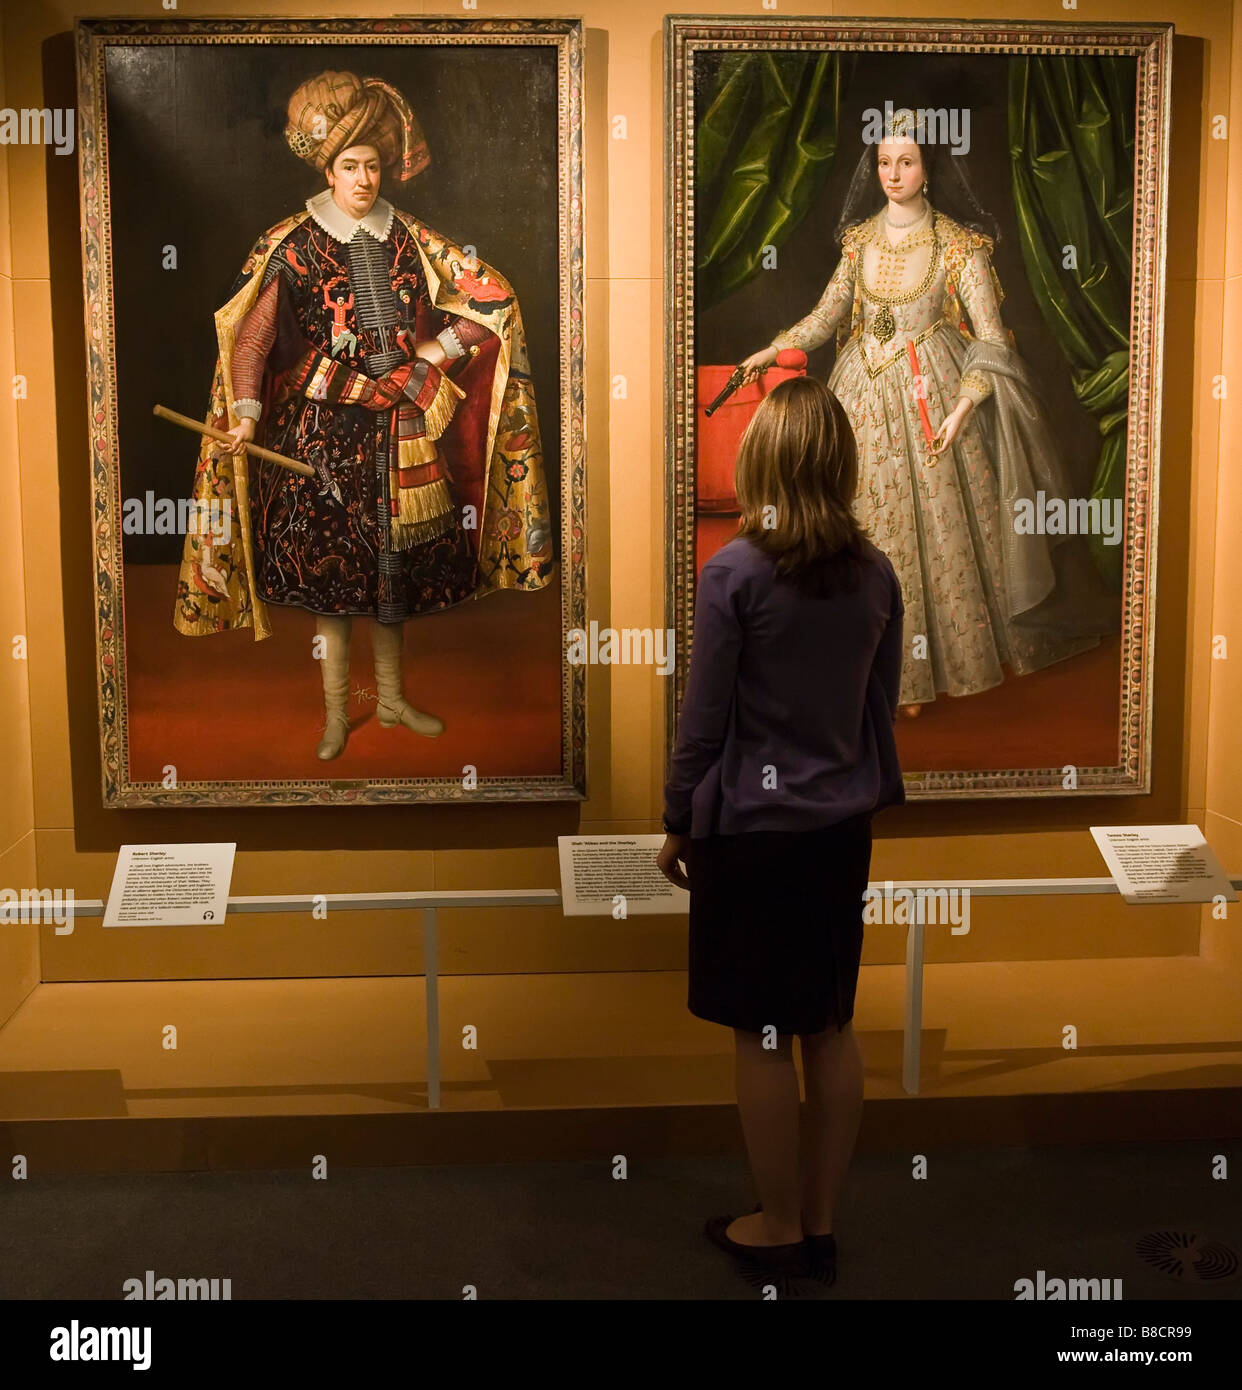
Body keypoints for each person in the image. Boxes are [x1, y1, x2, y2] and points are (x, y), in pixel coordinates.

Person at [173, 70, 553, 758]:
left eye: (373, 166)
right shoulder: (289, 245)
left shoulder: (410, 236)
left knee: (392, 576)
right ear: (328, 168)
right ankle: (334, 713)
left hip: (401, 430)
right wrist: (248, 418)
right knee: (332, 582)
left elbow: (493, 302)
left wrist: (429, 357)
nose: (364, 179)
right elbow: (254, 338)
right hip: (323, 438)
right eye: (350, 166)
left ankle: (395, 701)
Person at [657, 376, 905, 1286]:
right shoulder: (876, 572)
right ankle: (824, 1224)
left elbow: (704, 721)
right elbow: (879, 711)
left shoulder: (734, 572)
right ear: (840, 462)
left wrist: (681, 820)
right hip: (837, 835)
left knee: (761, 1033)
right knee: (829, 1024)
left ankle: (779, 1225)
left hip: (752, 837)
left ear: (761, 457)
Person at [737, 109, 1099, 718]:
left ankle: (912, 674)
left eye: (906, 161)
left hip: (934, 395)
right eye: (884, 162)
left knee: (934, 539)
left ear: (928, 168)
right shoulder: (858, 241)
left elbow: (991, 341)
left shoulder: (961, 246)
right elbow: (828, 317)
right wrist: (774, 349)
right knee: (850, 527)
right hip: (857, 394)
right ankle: (845, 664)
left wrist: (961, 409)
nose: (893, 173)